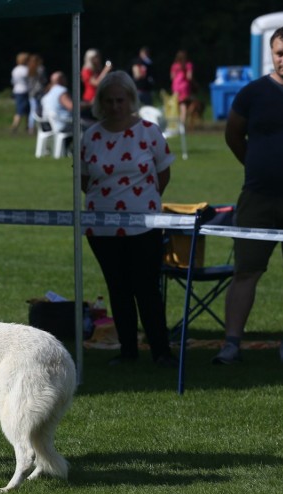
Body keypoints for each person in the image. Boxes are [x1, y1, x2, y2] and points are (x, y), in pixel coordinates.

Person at [80, 71, 178, 368]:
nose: (115, 106)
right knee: (118, 288)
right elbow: (84, 179)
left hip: (144, 224)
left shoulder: (149, 131)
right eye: (108, 101)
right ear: (100, 103)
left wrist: (144, 199)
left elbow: (164, 172)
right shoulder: (91, 135)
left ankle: (161, 350)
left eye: (120, 100)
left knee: (146, 287)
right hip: (101, 226)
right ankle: (128, 350)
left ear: (131, 100)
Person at [213, 26, 283, 365]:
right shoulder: (252, 93)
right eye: (280, 53)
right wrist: (255, 165)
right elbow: (233, 135)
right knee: (245, 271)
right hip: (258, 197)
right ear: (271, 54)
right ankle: (231, 343)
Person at [170, 50, 194, 127]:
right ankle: (182, 124)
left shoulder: (174, 65)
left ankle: (175, 122)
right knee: (183, 105)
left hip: (176, 86)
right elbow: (189, 77)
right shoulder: (188, 65)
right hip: (184, 86)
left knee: (176, 105)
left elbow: (172, 77)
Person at [9, 52, 30, 133]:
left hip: (17, 90)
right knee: (21, 109)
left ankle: (27, 126)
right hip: (24, 90)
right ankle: (15, 125)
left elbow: (13, 81)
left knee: (22, 109)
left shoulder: (15, 69)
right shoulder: (25, 70)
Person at [26, 53, 48, 130]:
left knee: (32, 110)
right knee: (39, 110)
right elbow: (43, 80)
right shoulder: (40, 69)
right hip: (39, 91)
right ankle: (40, 126)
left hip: (31, 92)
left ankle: (31, 127)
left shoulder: (29, 69)